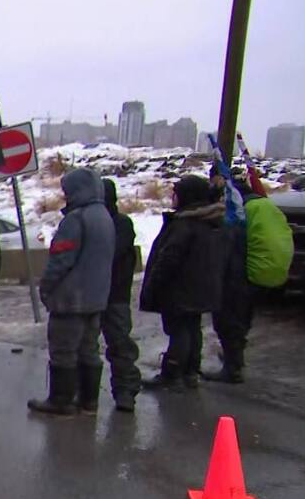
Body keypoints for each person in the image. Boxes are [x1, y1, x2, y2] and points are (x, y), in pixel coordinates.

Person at [28, 168, 115, 416]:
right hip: (96, 298)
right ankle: (89, 401)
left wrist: (46, 288)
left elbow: (61, 260)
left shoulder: (76, 219)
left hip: (70, 299)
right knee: (89, 350)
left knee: (63, 351)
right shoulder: (104, 216)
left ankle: (61, 400)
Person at [140, 175, 227, 391]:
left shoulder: (184, 225)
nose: (173, 197)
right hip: (199, 288)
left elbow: (169, 259)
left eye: (176, 194)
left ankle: (173, 374)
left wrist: (154, 285)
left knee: (179, 331)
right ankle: (189, 373)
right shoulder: (210, 222)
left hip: (179, 288)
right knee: (192, 329)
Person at [206, 173, 291, 383]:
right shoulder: (265, 205)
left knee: (228, 320)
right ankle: (235, 358)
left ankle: (232, 368)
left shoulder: (239, 211)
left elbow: (228, 244)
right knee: (243, 317)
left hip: (238, 273)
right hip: (259, 271)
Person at [100, 178, 142, 412]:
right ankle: (80, 393)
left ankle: (125, 391)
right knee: (83, 346)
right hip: (93, 293)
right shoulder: (91, 221)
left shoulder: (121, 224)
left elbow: (110, 253)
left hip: (115, 295)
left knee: (120, 345)